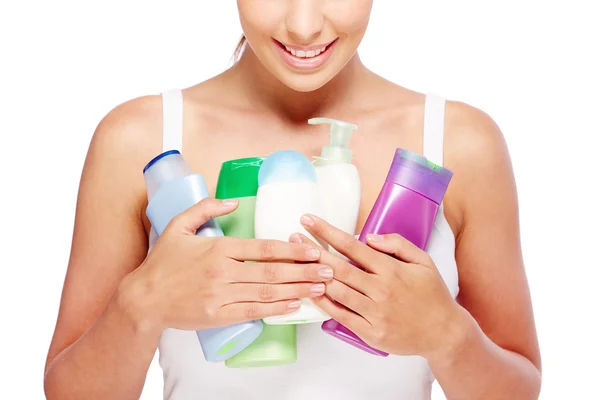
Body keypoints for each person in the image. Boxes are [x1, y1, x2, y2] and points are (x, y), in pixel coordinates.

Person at [43, 1, 541, 399]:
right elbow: (69, 391)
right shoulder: (140, 139)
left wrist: (446, 336)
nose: (304, 25)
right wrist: (141, 305)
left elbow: (519, 386)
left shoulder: (459, 143)